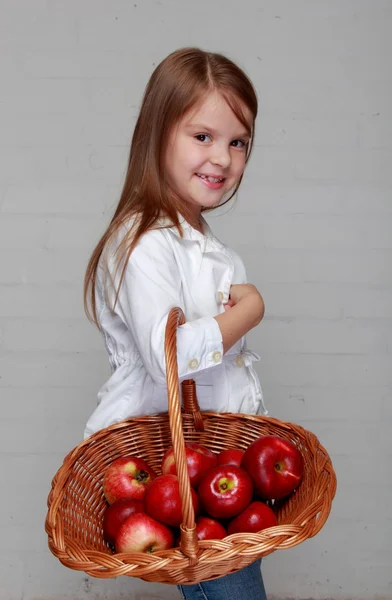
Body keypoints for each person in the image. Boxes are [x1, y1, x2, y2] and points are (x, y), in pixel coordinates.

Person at [83, 47, 268, 600]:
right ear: (158, 134)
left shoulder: (208, 247)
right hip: (172, 472)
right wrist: (249, 311)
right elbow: (172, 358)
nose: (224, 158)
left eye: (239, 142)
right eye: (203, 136)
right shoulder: (144, 244)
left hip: (210, 467)